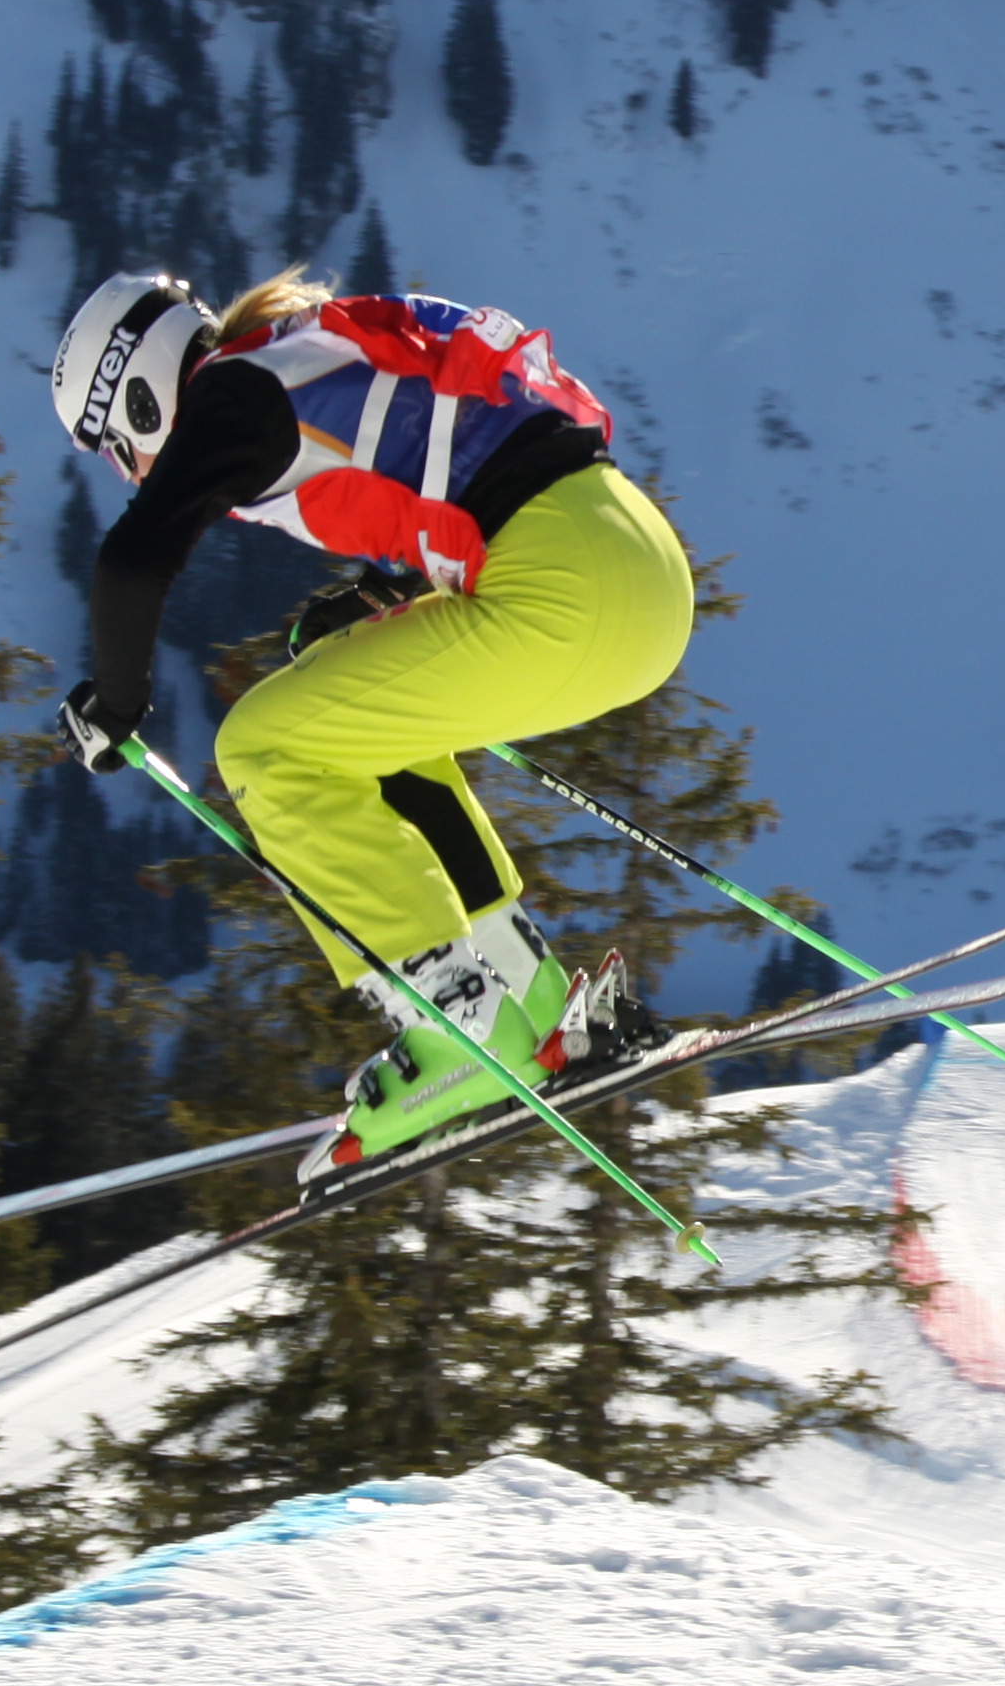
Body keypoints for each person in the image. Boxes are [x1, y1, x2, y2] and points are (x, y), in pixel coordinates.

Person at [47, 267, 692, 1172]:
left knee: (262, 749)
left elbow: (132, 559)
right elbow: (449, 448)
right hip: (638, 567)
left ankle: (461, 1028)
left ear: (143, 400)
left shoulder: (230, 395)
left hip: (563, 587)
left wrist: (115, 704)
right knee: (360, 728)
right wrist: (375, 599)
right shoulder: (297, 350)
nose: (130, 471)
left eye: (118, 446)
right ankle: (532, 1000)